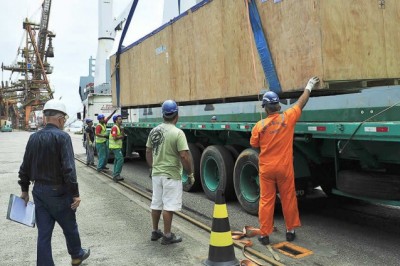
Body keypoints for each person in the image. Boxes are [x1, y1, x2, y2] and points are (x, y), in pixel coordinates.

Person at [18, 99, 90, 266]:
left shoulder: (33, 138)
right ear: (59, 119)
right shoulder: (63, 137)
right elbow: (69, 170)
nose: (64, 122)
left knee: (43, 233)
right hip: (59, 192)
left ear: (46, 117)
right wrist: (75, 194)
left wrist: (24, 190)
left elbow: (25, 167)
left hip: (39, 192)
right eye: (64, 119)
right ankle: (77, 255)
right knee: (69, 226)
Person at [250, 77, 320, 245]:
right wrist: (309, 86)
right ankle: (290, 230)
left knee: (266, 200)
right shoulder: (287, 118)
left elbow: (254, 145)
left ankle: (265, 234)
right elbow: (301, 103)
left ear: (265, 109)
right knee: (288, 198)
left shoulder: (258, 126)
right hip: (284, 168)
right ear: (279, 106)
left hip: (266, 169)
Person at [146, 99, 194, 245]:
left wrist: (152, 167)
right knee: (169, 205)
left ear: (163, 115)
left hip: (157, 173)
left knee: (156, 202)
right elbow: (184, 156)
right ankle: (167, 235)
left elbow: (148, 151)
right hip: (171, 175)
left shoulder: (154, 131)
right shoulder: (178, 133)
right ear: (176, 115)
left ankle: (155, 231)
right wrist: (190, 173)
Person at [109, 114, 125, 182]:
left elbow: (122, 136)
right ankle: (116, 175)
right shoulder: (115, 127)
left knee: (116, 160)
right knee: (120, 159)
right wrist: (121, 136)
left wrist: (122, 131)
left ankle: (115, 174)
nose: (121, 120)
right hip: (115, 147)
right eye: (119, 119)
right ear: (116, 120)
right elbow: (115, 138)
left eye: (121, 119)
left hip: (117, 146)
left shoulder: (119, 127)